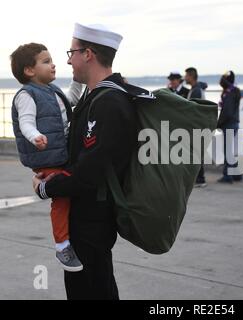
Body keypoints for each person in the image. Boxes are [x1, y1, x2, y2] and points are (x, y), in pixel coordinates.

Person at [32, 22, 138, 300]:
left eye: (72, 52)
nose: (68, 59)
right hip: (85, 216)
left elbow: (91, 171)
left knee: (91, 289)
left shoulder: (109, 102)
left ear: (88, 54)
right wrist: (49, 174)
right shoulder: (97, 96)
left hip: (92, 220)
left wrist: (48, 189)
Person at [10, 43, 83, 271]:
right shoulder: (26, 95)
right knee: (61, 200)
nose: (53, 64)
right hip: (47, 158)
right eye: (46, 61)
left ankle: (69, 238)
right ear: (29, 71)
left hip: (61, 155)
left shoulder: (53, 91)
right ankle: (62, 246)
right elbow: (26, 122)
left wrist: (79, 78)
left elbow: (71, 99)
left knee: (70, 197)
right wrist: (35, 137)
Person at [217, 70, 243, 183]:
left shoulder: (230, 92)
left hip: (229, 124)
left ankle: (227, 176)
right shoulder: (233, 91)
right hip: (233, 123)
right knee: (229, 150)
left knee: (227, 150)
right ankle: (237, 174)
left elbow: (227, 112)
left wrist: (218, 123)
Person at [184, 67, 208, 187]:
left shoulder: (197, 91)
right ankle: (198, 178)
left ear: (191, 76)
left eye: (186, 76)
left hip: (196, 126)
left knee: (196, 153)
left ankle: (200, 179)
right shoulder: (195, 89)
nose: (184, 78)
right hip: (196, 125)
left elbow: (195, 109)